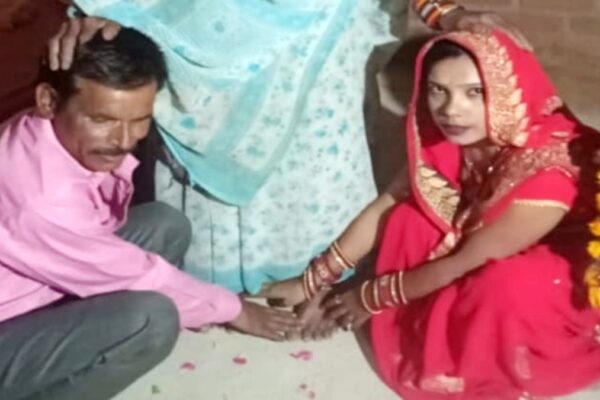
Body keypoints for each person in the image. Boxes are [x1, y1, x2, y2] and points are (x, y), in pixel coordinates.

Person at [46, 0, 532, 296]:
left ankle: (321, 271)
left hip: (325, 32)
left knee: (318, 153)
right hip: (209, 22)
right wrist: (106, 7)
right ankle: (211, 282)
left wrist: (448, 13)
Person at [268, 30, 600, 397]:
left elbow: (463, 262)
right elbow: (387, 203)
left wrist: (367, 297)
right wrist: (314, 280)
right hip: (483, 234)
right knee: (410, 219)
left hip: (573, 265)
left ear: (509, 90)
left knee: (503, 286)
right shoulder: (451, 132)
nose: (451, 109)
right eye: (438, 89)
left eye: (475, 92)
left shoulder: (549, 172)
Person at [0, 28, 300, 400]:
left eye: (138, 119)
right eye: (103, 119)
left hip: (23, 294)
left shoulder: (39, 129)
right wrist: (234, 310)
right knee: (150, 320)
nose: (124, 140)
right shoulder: (41, 198)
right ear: (48, 100)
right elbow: (134, 272)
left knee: (166, 225)